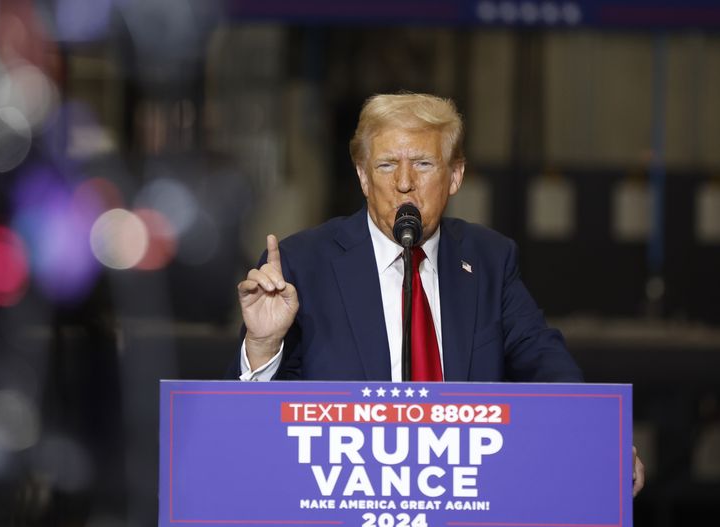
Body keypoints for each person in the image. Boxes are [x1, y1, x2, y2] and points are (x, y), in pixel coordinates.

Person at [229, 92, 644, 495]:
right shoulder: (302, 263)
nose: (404, 183)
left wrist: (596, 435)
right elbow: (257, 434)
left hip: (466, 500)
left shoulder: (489, 260)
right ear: (362, 176)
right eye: (387, 164)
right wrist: (263, 346)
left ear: (456, 176)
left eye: (423, 164)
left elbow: (543, 360)